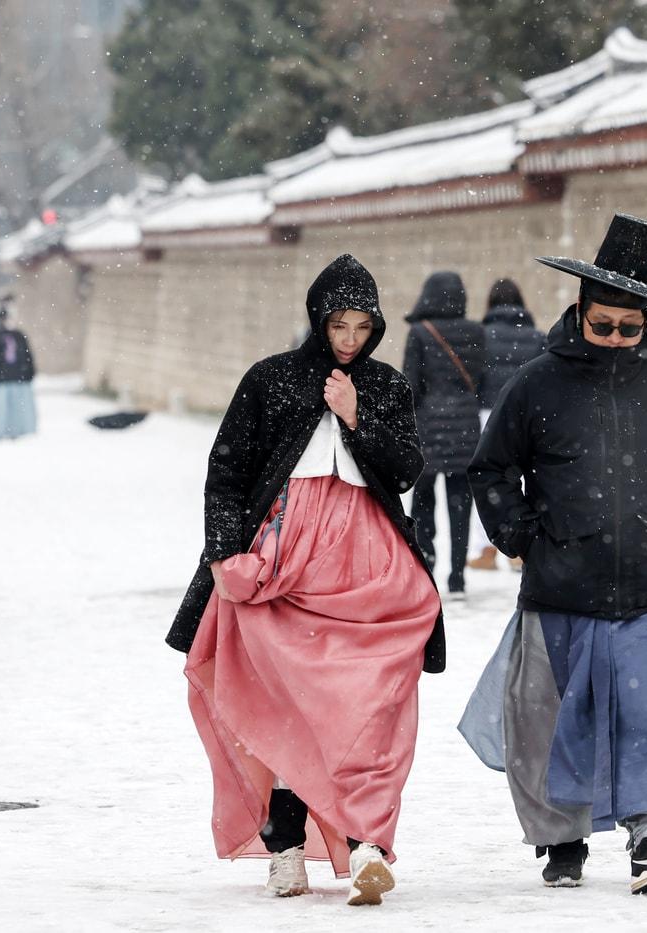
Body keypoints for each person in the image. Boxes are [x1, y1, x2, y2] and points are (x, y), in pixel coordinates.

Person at [165, 254, 446, 907]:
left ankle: (369, 841)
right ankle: (285, 848)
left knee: (368, 706)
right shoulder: (270, 379)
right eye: (338, 323)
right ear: (318, 318)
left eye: (361, 326)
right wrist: (221, 555)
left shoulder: (385, 385)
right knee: (288, 709)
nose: (349, 338)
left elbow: (406, 469)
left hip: (369, 562)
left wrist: (356, 416)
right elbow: (227, 473)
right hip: (283, 563)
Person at [464, 213, 647, 895]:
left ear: (646, 323)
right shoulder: (536, 384)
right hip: (561, 583)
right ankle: (562, 838)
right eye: (602, 325)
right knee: (549, 719)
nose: (615, 338)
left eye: (629, 328)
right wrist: (520, 536)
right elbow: (491, 470)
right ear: (579, 313)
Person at [402, 271, 485, 599]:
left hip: (427, 429)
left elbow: (412, 383)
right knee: (460, 503)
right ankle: (458, 577)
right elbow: (479, 377)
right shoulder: (477, 331)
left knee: (423, 502)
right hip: (465, 427)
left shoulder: (419, 333)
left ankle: (428, 566)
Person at [467, 277, 545, 572]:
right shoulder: (537, 337)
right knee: (524, 481)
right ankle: (519, 551)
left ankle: (486, 549)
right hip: (528, 416)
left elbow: (474, 379)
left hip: (487, 413)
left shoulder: (481, 335)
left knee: (486, 480)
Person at [0, 304, 38, 440]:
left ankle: (17, 431)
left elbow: (27, 356)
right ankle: (0, 432)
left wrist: (29, 372)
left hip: (17, 378)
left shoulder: (18, 335)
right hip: (0, 379)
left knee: (17, 408)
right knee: (1, 409)